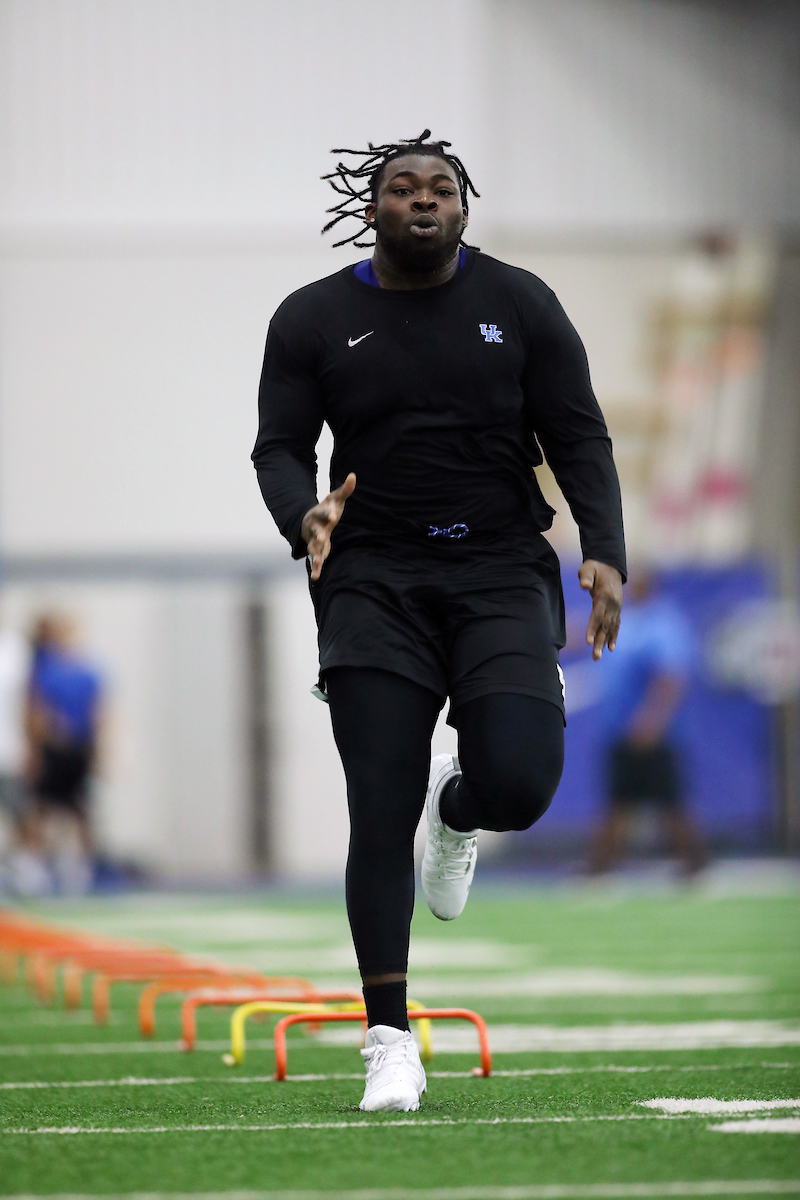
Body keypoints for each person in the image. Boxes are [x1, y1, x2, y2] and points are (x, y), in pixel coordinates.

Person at [252, 131, 626, 1111]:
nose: (422, 199)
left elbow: (577, 431)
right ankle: (388, 1038)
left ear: (463, 206)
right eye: (403, 187)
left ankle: (457, 813)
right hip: (371, 576)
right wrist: (304, 513)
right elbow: (278, 446)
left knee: (518, 781)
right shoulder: (311, 317)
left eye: (441, 187)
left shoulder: (519, 303)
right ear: (371, 208)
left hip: (499, 567)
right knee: (376, 802)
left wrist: (603, 549)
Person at [587, 571, 707, 876]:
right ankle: (601, 866)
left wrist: (651, 721)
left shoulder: (663, 621)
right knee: (617, 801)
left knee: (669, 802)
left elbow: (671, 677)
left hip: (651, 731)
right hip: (620, 728)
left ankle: (696, 863)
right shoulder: (627, 619)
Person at [25, 612, 104, 894]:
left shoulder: (88, 671)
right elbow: (37, 712)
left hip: (79, 747)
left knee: (81, 810)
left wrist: (101, 750)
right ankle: (33, 866)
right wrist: (37, 748)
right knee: (42, 808)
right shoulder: (44, 671)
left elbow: (99, 711)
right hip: (54, 748)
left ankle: (83, 868)